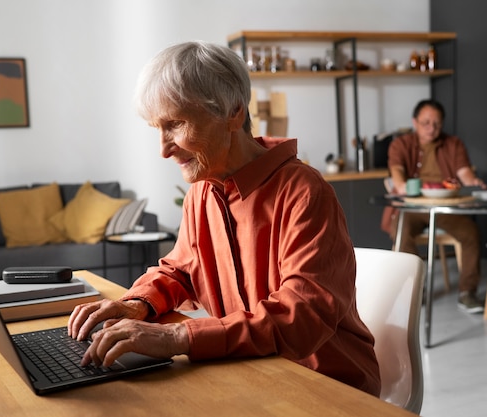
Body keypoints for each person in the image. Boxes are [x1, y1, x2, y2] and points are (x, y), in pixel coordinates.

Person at [68, 41, 381, 396]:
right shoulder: (201, 193)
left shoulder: (304, 192)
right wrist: (136, 304)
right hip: (252, 373)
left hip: (326, 386)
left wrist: (178, 336)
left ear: (233, 112)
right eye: (157, 127)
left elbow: (301, 317)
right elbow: (180, 271)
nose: (164, 149)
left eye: (176, 124)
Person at [382, 99, 487, 313]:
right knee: (401, 231)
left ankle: (468, 292)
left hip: (444, 207)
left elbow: (464, 173)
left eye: (437, 124)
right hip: (413, 207)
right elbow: (397, 171)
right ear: (415, 122)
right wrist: (401, 186)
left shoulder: (453, 144)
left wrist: (473, 182)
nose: (431, 129)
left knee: (470, 231)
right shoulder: (400, 144)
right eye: (426, 123)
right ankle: (414, 291)